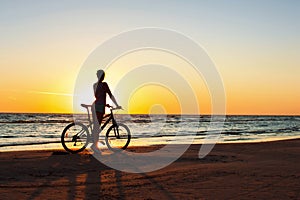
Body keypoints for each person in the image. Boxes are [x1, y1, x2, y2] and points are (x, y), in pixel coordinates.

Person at [91, 69, 121, 153]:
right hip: (99, 107)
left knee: (96, 126)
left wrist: (105, 104)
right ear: (102, 76)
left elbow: (98, 97)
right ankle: (94, 146)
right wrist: (117, 104)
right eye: (103, 75)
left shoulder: (94, 85)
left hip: (95, 105)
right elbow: (110, 95)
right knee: (97, 126)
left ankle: (94, 144)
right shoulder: (104, 85)